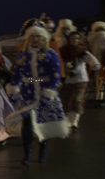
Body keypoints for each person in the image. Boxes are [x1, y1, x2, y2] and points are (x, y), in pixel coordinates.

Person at [6, 21, 68, 166]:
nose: (35, 39)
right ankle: (27, 154)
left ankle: (43, 149)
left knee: (43, 121)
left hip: (44, 91)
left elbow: (56, 73)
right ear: (29, 38)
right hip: (27, 92)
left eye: (38, 36)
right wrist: (13, 87)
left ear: (43, 38)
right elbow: (17, 73)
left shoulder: (50, 54)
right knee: (27, 123)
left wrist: (51, 89)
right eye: (32, 36)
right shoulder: (23, 54)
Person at [59, 31, 100, 129]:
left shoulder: (82, 51)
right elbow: (59, 61)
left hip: (81, 79)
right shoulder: (63, 50)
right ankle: (68, 120)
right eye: (72, 38)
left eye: (76, 38)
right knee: (67, 99)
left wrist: (95, 64)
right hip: (68, 79)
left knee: (78, 99)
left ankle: (75, 120)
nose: (74, 40)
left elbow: (90, 59)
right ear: (69, 39)